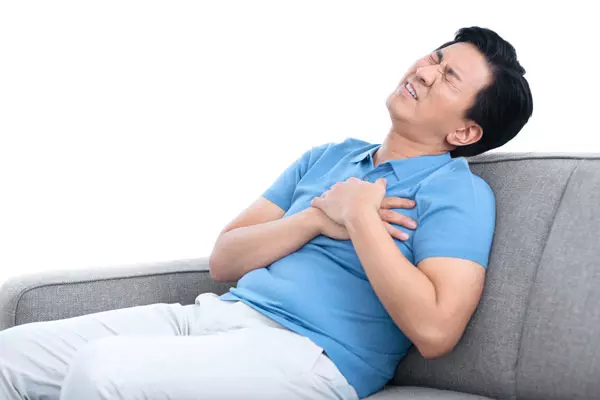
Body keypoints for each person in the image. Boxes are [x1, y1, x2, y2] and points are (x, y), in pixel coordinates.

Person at [0, 26, 532, 400]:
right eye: (435, 57)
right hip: (216, 316)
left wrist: (361, 218)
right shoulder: (329, 157)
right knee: (10, 354)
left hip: (313, 356)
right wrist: (316, 219)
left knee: (102, 371)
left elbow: (436, 332)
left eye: (449, 76)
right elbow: (225, 259)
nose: (426, 71)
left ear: (465, 131)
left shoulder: (457, 193)